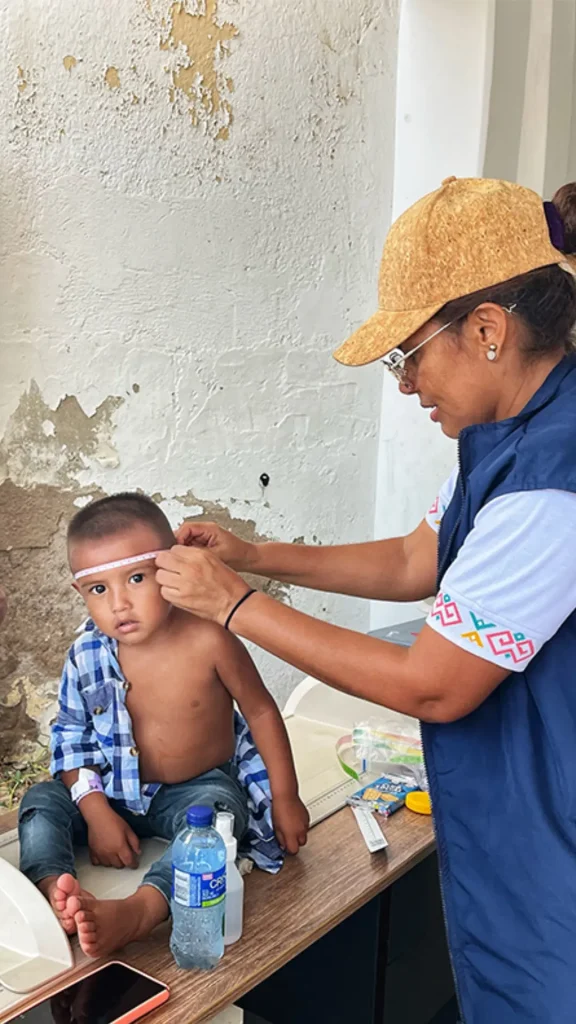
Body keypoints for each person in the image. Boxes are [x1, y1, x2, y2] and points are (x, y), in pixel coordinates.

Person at [154, 177, 576, 1023]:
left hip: (550, 845)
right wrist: (260, 557)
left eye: (409, 355)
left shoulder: (551, 480)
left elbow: (433, 684)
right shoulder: (511, 441)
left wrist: (235, 604)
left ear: (487, 330)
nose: (407, 385)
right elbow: (417, 558)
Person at [19, 493, 308, 958]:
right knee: (40, 801)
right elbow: (71, 742)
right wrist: (96, 814)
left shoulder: (210, 638)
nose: (119, 604)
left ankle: (143, 909)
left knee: (217, 827)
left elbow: (261, 712)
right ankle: (59, 893)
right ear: (80, 592)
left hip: (194, 793)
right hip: (111, 791)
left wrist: (285, 797)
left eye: (136, 578)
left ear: (171, 571)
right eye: (99, 589)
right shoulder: (86, 656)